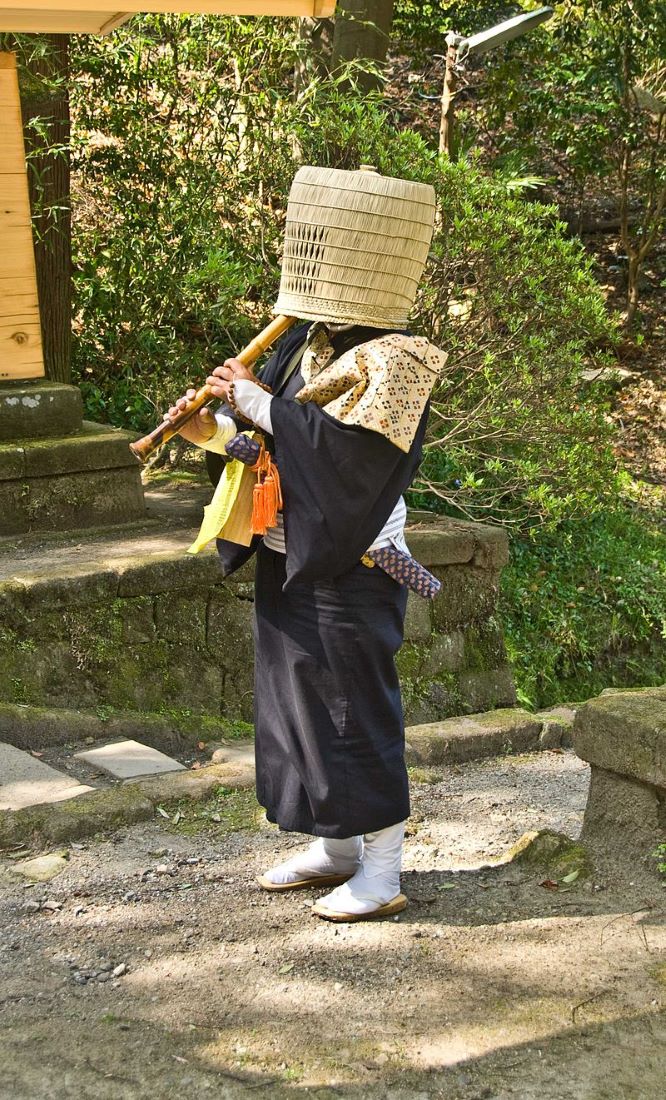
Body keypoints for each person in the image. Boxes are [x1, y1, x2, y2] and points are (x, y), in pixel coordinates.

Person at [168, 165, 445, 921]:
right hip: (291, 550)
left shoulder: (397, 359)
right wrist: (213, 429)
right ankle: (337, 846)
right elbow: (271, 448)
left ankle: (383, 870)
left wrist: (256, 401)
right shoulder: (307, 341)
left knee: (353, 710)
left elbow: (347, 465)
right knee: (296, 709)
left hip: (353, 561)